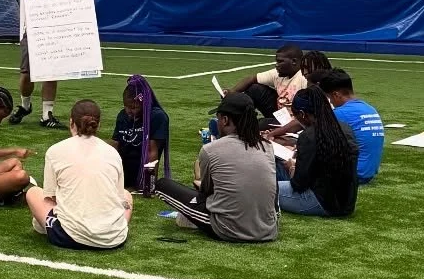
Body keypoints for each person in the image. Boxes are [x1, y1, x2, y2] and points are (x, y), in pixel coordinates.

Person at [154, 92, 279, 242]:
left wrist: (199, 180)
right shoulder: (267, 146)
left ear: (225, 120)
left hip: (228, 229)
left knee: (162, 185)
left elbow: (207, 192)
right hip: (268, 229)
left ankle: (192, 219)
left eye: (218, 118)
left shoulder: (211, 149)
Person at [24, 98, 132, 250]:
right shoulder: (112, 153)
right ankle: (112, 230)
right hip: (113, 239)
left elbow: (51, 196)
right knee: (127, 196)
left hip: (70, 236)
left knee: (34, 192)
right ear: (98, 125)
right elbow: (120, 198)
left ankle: (45, 228)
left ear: (71, 122)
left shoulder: (55, 150)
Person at [11, 0, 70, 128]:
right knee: (27, 72)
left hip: (56, 30)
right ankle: (25, 105)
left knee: (51, 72)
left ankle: (47, 114)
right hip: (36, 29)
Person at [279, 86, 359, 217]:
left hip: (320, 201)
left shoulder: (309, 136)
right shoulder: (345, 128)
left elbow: (299, 184)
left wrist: (292, 168)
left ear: (303, 114)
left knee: (263, 189)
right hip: (347, 203)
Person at [318, 69, 385, 182]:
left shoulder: (340, 113)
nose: (330, 103)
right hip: (368, 172)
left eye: (329, 99)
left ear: (336, 95)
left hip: (352, 174)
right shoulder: (369, 108)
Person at [112, 76, 171, 191]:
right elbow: (116, 143)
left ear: (144, 104)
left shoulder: (157, 116)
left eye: (134, 107)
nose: (129, 111)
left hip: (140, 168)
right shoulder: (122, 115)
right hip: (123, 168)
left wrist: (148, 184)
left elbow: (152, 151)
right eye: (126, 106)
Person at [231, 45, 306, 112]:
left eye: (280, 61)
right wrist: (231, 93)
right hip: (281, 114)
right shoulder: (278, 74)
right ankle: (240, 119)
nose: (276, 65)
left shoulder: (304, 79)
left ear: (294, 61)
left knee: (262, 124)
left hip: (298, 120)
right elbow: (252, 78)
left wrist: (283, 128)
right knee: (255, 89)